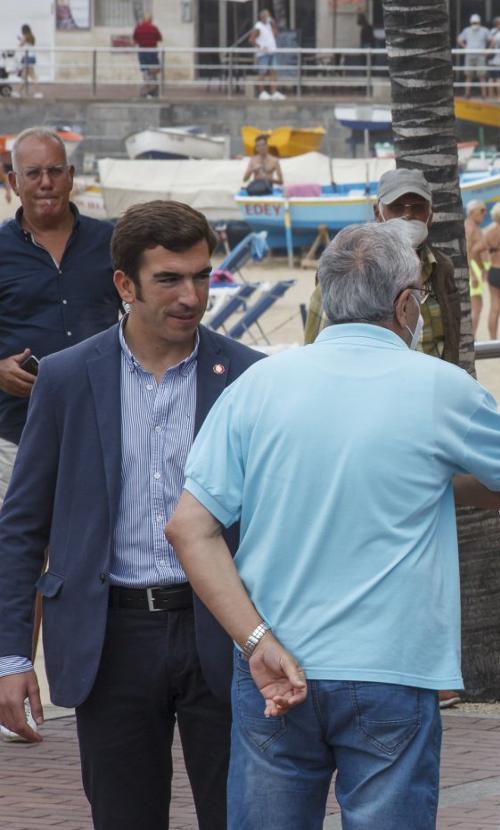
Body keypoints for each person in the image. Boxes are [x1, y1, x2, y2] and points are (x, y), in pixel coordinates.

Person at [164, 220, 500, 830]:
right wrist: (425, 479)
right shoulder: (442, 387)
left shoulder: (257, 385)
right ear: (403, 304)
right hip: (392, 666)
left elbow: (188, 528)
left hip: (275, 662)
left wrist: (256, 641)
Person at [0, 200, 264, 826]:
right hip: (109, 638)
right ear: (125, 284)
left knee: (240, 815)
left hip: (222, 632)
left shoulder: (248, 376)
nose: (191, 296)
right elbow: (22, 526)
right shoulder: (67, 378)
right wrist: (12, 657)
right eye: (169, 279)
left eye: (202, 276)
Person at [0, 128, 119, 505]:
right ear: (14, 182)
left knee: (94, 548)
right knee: (15, 551)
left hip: (103, 428)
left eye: (54, 171)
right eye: (33, 174)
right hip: (16, 433)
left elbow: (142, 315)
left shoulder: (112, 243)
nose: (46, 183)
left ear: (70, 176)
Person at [304, 169, 461, 366]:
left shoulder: (442, 269)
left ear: (430, 215)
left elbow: (450, 341)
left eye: (418, 207)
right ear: (378, 213)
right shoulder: (346, 269)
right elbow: (315, 349)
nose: (408, 215)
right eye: (397, 207)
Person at [480, 202, 500, 339]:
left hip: (493, 271)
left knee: (494, 309)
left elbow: (475, 250)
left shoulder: (489, 232)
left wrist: (482, 267)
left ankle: (493, 339)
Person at [465, 199, 488, 338]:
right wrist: (472, 274)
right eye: (482, 210)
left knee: (476, 307)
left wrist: (482, 268)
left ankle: (470, 336)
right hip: (471, 270)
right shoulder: (470, 228)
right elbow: (466, 252)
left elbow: (475, 253)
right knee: (476, 307)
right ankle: (470, 337)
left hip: (474, 268)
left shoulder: (474, 227)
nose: (484, 214)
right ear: (472, 212)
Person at [249, 9, 283, 100]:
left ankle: (274, 92)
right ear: (262, 17)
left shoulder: (269, 25)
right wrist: (261, 47)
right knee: (262, 72)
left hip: (272, 51)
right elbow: (252, 40)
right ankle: (261, 92)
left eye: (269, 15)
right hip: (263, 54)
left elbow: (275, 35)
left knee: (274, 72)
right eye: (267, 16)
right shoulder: (258, 27)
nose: (269, 17)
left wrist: (274, 24)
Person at [458, 14, 489, 98]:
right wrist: (466, 47)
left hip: (480, 55)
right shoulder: (467, 30)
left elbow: (492, 40)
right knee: (469, 76)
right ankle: (467, 94)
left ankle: (484, 95)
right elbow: (459, 39)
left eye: (476, 22)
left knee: (482, 76)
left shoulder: (484, 30)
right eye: (474, 22)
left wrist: (488, 50)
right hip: (470, 54)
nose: (475, 24)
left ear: (479, 22)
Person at [132, 13, 163, 98]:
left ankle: (150, 90)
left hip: (142, 53)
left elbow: (135, 40)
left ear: (143, 19)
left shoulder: (138, 28)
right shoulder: (153, 28)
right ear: (150, 19)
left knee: (145, 71)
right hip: (152, 52)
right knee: (155, 69)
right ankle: (149, 90)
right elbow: (160, 38)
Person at [17, 25, 36, 99]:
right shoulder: (32, 37)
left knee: (30, 76)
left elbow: (20, 45)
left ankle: (38, 92)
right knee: (25, 76)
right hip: (31, 57)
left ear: (23, 31)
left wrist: (21, 40)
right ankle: (18, 92)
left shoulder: (25, 37)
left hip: (28, 58)